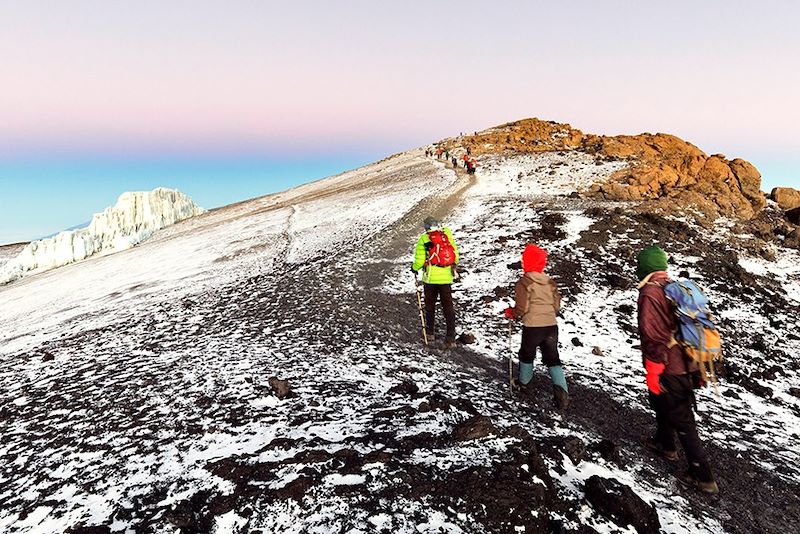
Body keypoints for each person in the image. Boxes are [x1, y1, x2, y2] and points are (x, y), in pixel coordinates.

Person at [636, 245, 718, 494]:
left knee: (682, 417)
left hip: (669, 366)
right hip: (689, 362)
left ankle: (702, 475)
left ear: (645, 267)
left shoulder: (650, 293)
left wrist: (653, 369)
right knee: (660, 400)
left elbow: (651, 335)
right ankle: (665, 442)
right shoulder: (674, 288)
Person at [504, 244, 569, 410]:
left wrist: (512, 313)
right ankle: (562, 394)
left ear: (527, 261)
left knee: (526, 355)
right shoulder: (550, 282)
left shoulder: (524, 282)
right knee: (552, 358)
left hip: (533, 326)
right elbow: (556, 305)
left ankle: (524, 385)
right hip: (551, 326)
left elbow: (522, 308)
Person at [411, 216, 460, 348]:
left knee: (430, 305)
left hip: (431, 278)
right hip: (446, 277)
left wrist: (414, 268)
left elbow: (420, 261)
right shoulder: (446, 235)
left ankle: (430, 332)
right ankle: (451, 338)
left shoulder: (424, 239)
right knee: (448, 306)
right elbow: (455, 254)